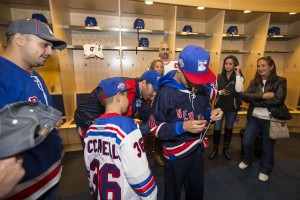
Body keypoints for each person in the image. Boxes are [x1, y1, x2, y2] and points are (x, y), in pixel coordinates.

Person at [0, 18, 66, 199]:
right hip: (22, 189)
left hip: (47, 178)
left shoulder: (33, 74)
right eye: (44, 44)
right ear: (19, 39)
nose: (50, 52)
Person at [149, 45, 223, 200]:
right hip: (175, 155)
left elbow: (204, 110)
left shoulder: (201, 88)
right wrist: (182, 126)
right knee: (172, 194)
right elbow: (154, 127)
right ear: (179, 69)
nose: (196, 83)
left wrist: (211, 113)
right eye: (192, 78)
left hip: (198, 149)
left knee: (196, 192)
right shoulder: (165, 93)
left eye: (199, 78)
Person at [84, 77, 157, 199]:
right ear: (118, 97)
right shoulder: (127, 126)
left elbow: (89, 168)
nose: (128, 100)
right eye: (126, 96)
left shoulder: (91, 129)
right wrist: (152, 195)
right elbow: (138, 173)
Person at [239, 56, 291, 182]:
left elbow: (278, 100)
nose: (260, 68)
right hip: (254, 119)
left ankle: (265, 169)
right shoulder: (254, 82)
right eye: (258, 66)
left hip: (270, 120)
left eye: (263, 65)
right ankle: (248, 160)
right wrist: (263, 96)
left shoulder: (280, 81)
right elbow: (245, 96)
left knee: (267, 147)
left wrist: (256, 101)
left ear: (271, 67)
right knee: (247, 142)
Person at [74, 70, 162, 139]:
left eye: (157, 91)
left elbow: (147, 114)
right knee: (96, 149)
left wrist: (156, 121)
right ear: (143, 83)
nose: (155, 94)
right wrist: (152, 126)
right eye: (153, 89)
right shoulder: (127, 89)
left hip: (104, 116)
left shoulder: (145, 94)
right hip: (86, 116)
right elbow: (125, 126)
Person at [208, 55, 244, 160]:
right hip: (220, 108)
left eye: (230, 64)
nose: (228, 66)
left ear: (235, 65)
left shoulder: (239, 78)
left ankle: (225, 150)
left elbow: (238, 90)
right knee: (217, 129)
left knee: (229, 129)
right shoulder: (218, 77)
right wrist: (219, 93)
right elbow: (214, 92)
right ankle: (215, 150)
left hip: (232, 108)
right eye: (226, 63)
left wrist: (237, 74)